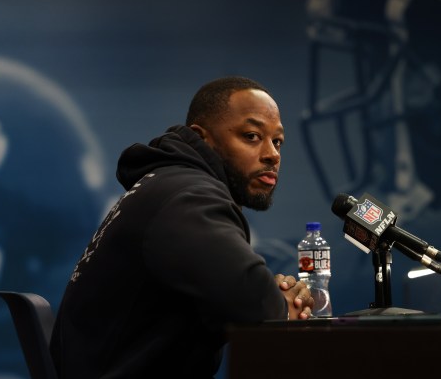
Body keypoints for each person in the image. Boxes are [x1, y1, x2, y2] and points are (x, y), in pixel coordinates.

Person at [49, 76, 314, 378]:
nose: (272, 154)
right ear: (203, 138)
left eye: (277, 141)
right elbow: (261, 311)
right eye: (252, 136)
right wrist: (282, 300)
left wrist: (273, 297)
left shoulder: (170, 187)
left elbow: (242, 299)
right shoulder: (189, 197)